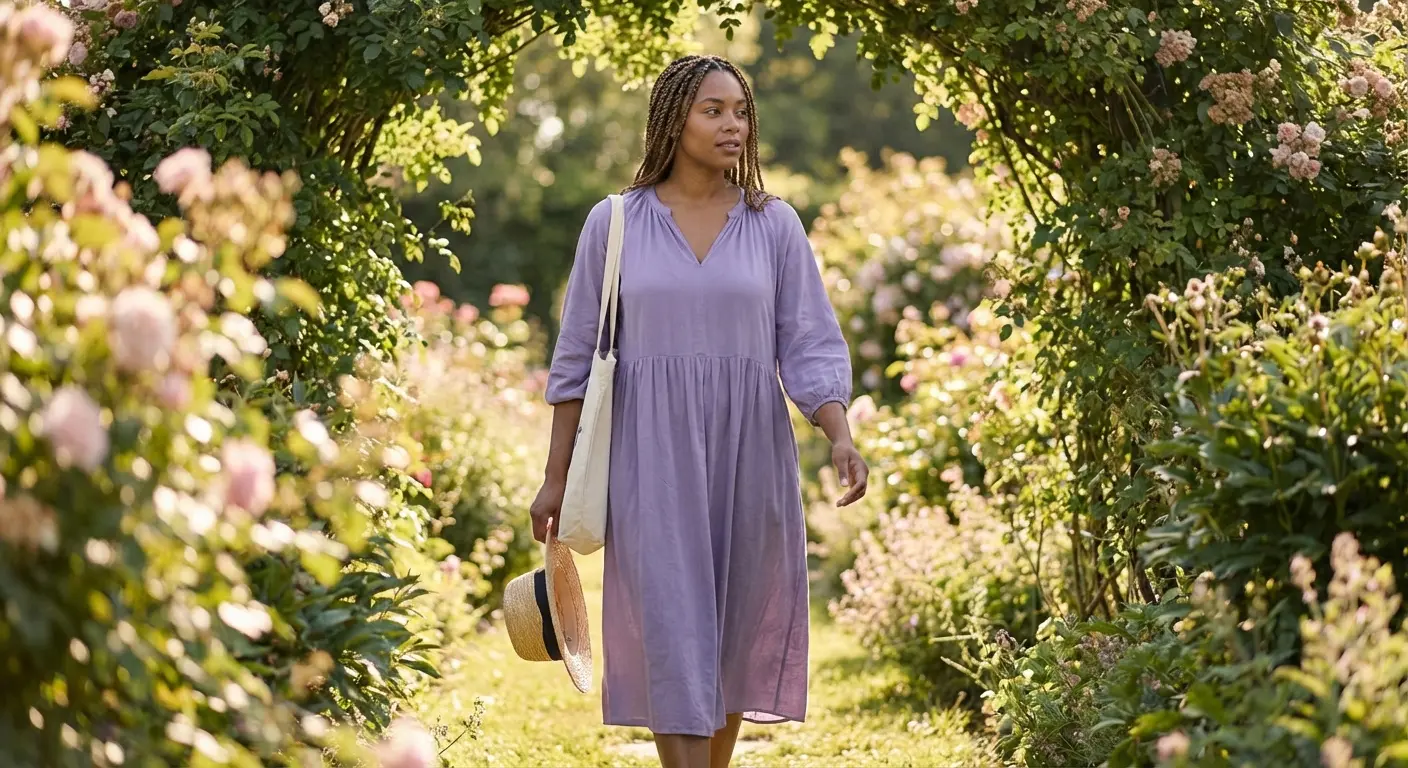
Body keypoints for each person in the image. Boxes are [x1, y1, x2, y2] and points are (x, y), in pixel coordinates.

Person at [530, 53, 869, 768]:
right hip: (650, 456)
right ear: (672, 119)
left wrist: (839, 433)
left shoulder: (773, 225)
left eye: (741, 111)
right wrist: (554, 477)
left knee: (732, 635)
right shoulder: (615, 222)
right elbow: (574, 362)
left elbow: (808, 340)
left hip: (751, 452)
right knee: (673, 627)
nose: (733, 125)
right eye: (713, 110)